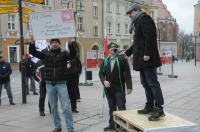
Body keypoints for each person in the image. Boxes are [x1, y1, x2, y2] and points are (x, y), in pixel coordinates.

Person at [125, 3, 165, 121]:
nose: (129, 16)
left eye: (130, 13)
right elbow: (138, 43)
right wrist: (126, 53)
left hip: (147, 59)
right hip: (142, 60)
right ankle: (149, 106)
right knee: (146, 84)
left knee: (152, 83)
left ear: (136, 11)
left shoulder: (144, 18)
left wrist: (147, 53)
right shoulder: (137, 22)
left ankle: (159, 108)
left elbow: (150, 37)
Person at [29, 36, 76, 132]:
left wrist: (70, 44)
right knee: (53, 107)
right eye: (53, 42)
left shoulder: (64, 54)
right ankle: (57, 126)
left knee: (66, 107)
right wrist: (33, 43)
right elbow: (33, 52)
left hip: (61, 83)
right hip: (49, 84)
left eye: (56, 42)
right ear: (50, 44)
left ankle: (70, 128)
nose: (54, 44)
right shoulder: (46, 54)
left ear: (59, 44)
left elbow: (73, 55)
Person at [99, 42, 132, 131]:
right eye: (110, 48)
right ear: (108, 50)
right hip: (109, 89)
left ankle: (122, 126)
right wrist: (104, 81)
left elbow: (127, 74)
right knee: (111, 108)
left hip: (119, 88)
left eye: (114, 48)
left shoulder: (122, 59)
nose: (112, 49)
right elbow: (101, 73)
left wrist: (129, 87)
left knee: (121, 107)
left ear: (117, 49)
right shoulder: (105, 60)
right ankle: (112, 125)